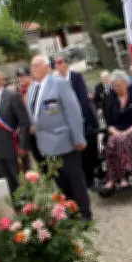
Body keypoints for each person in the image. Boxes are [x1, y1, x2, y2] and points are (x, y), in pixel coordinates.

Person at [28, 54, 92, 222]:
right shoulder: (33, 89)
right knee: (61, 181)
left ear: (47, 66)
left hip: (65, 141)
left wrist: (78, 138)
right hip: (47, 144)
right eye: (32, 66)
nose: (33, 68)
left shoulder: (59, 84)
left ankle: (85, 213)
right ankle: (71, 211)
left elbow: (73, 111)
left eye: (36, 65)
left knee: (75, 179)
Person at [0, 69, 31, 197]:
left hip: (14, 149)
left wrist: (23, 145)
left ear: (1, 81)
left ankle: (31, 209)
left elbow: (24, 122)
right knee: (8, 185)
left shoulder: (12, 96)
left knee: (22, 182)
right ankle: (17, 210)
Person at [54, 54, 100, 189]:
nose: (58, 65)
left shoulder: (76, 77)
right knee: (79, 154)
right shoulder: (55, 81)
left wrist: (77, 118)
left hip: (85, 119)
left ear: (66, 64)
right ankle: (85, 180)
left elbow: (82, 99)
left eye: (60, 62)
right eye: (55, 63)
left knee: (90, 149)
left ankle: (93, 176)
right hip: (68, 125)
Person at [102, 70, 132, 191]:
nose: (116, 88)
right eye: (114, 86)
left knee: (120, 140)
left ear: (126, 83)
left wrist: (127, 132)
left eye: (119, 85)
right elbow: (109, 123)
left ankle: (123, 177)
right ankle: (112, 178)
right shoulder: (111, 101)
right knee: (110, 143)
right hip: (117, 132)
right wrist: (115, 132)